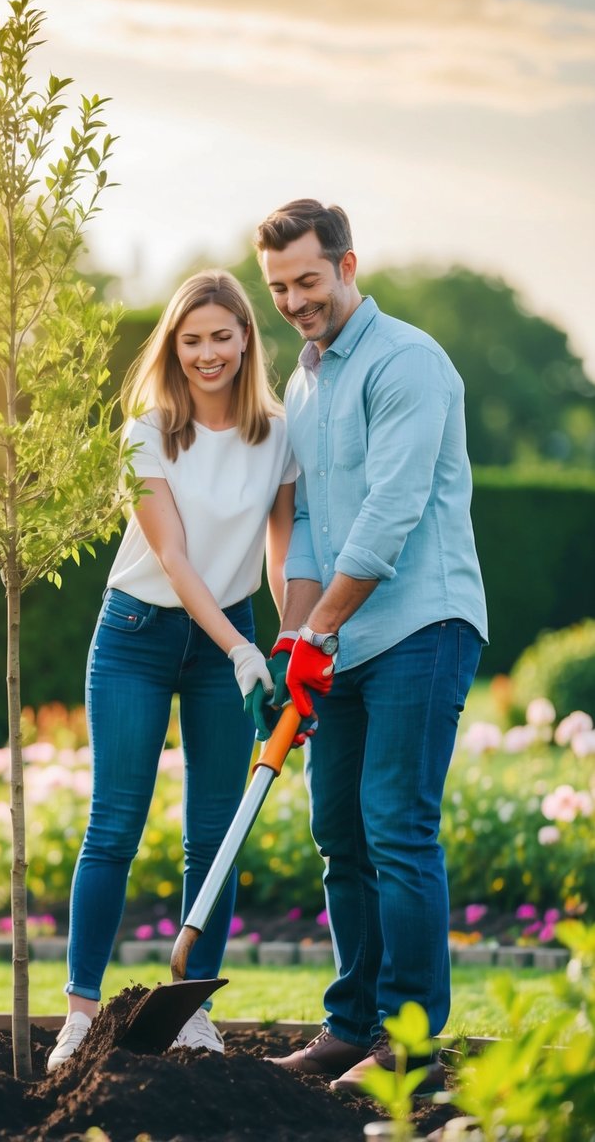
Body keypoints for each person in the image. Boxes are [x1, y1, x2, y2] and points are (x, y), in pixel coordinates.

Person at [252, 199, 487, 1095]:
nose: (295, 301)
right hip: (341, 641)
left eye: (307, 281)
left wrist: (320, 629)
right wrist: (293, 640)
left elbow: (389, 518)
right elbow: (307, 526)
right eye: (278, 288)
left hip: (421, 627)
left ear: (348, 266)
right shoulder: (304, 387)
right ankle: (350, 1028)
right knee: (337, 837)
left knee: (395, 826)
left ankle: (411, 1045)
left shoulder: (409, 364)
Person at [47, 270, 297, 1071]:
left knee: (214, 836)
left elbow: (282, 551)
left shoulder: (277, 435)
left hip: (239, 637)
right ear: (172, 347)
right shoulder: (146, 431)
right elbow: (174, 555)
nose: (207, 353)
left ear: (246, 338)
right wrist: (239, 649)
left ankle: (191, 1013)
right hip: (139, 634)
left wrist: (287, 644)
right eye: (190, 340)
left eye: (221, 335)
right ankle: (81, 1014)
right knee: (114, 826)